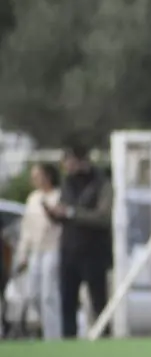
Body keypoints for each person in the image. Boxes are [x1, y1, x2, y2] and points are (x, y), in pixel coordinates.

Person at [48, 145, 112, 338]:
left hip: (94, 251)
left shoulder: (101, 183)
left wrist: (72, 213)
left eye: (69, 161)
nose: (66, 166)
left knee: (98, 300)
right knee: (67, 301)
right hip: (69, 249)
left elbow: (103, 217)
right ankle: (69, 338)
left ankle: (104, 337)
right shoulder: (67, 183)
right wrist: (55, 214)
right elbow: (63, 208)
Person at [13, 163, 63, 340]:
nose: (34, 179)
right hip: (36, 251)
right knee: (33, 293)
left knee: (49, 294)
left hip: (52, 248)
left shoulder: (58, 196)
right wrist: (22, 254)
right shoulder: (33, 198)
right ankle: (45, 327)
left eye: (37, 175)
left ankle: (53, 336)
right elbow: (26, 228)